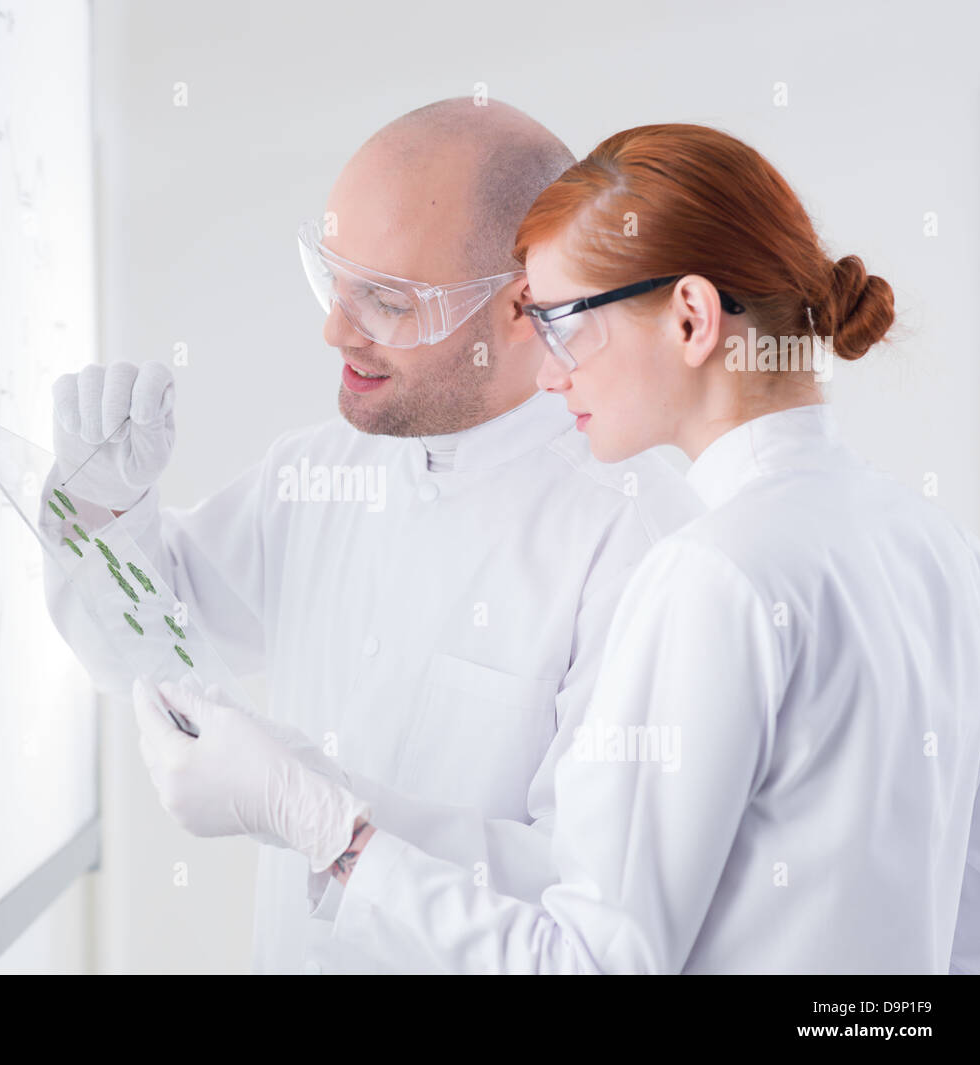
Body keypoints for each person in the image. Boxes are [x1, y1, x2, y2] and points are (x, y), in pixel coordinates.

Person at [134, 123, 980, 974]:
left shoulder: (707, 571)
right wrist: (322, 790)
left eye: (563, 324)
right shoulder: (928, 539)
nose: (546, 373)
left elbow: (588, 963)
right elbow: (958, 912)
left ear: (690, 318)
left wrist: (331, 836)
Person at [41, 100, 705, 974]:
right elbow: (155, 649)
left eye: (386, 301)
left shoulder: (637, 538)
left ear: (521, 304)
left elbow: (592, 930)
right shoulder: (322, 470)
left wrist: (329, 822)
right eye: (334, 280)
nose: (335, 329)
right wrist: (103, 509)